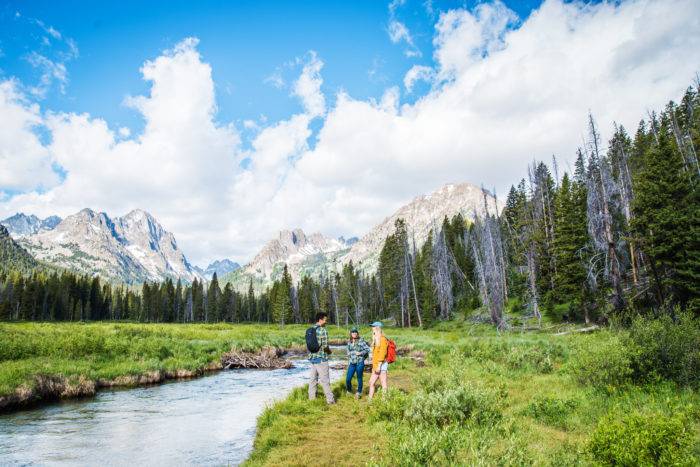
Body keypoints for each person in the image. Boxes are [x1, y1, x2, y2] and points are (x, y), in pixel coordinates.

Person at [308, 311, 335, 404]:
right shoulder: (323, 330)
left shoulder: (310, 329)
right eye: (325, 320)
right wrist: (330, 352)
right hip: (321, 359)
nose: (326, 322)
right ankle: (330, 401)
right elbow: (325, 346)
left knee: (313, 380)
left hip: (312, 358)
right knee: (325, 380)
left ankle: (312, 399)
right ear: (320, 320)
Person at [345, 327, 370, 400]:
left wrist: (360, 353)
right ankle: (349, 390)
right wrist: (348, 353)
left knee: (359, 378)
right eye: (353, 332)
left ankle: (359, 392)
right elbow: (347, 350)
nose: (354, 334)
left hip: (359, 362)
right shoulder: (349, 341)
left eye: (355, 332)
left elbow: (368, 349)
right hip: (352, 363)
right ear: (351, 333)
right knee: (348, 379)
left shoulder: (361, 341)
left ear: (357, 333)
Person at [367, 321, 389, 400]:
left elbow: (382, 353)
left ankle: (384, 401)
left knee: (383, 383)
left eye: (373, 327)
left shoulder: (383, 339)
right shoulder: (376, 339)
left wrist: (379, 366)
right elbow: (374, 352)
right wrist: (373, 340)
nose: (372, 329)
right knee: (371, 382)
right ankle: (370, 400)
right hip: (376, 365)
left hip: (381, 365)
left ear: (377, 328)